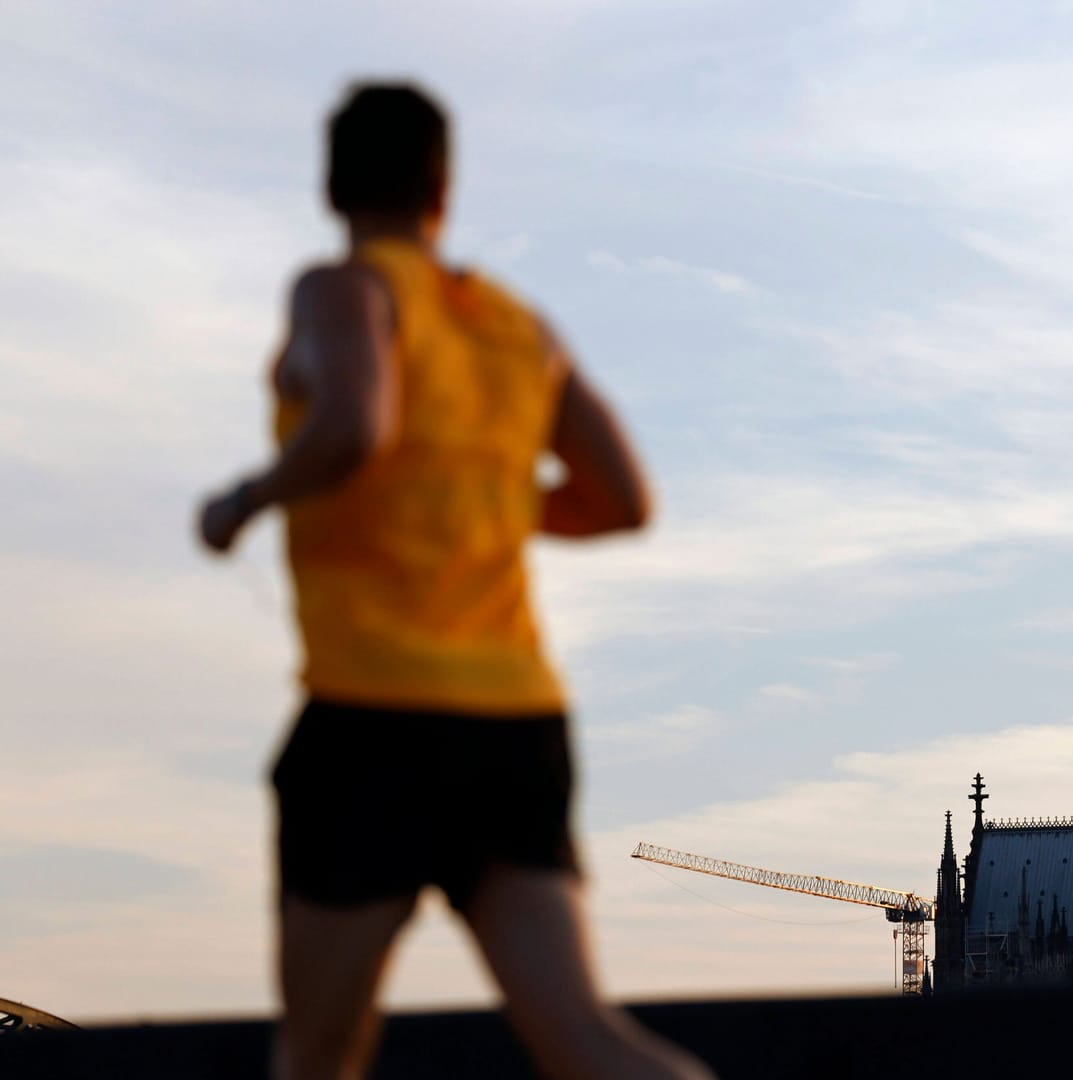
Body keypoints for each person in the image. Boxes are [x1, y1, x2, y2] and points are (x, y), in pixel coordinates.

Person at [197, 83, 712, 1080]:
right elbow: (622, 501)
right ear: (445, 187)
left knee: (316, 1059)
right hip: (516, 725)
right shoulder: (522, 331)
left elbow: (356, 426)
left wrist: (243, 500)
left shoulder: (344, 290)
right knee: (588, 1042)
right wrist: (484, 497)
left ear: (332, 184)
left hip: (371, 718)